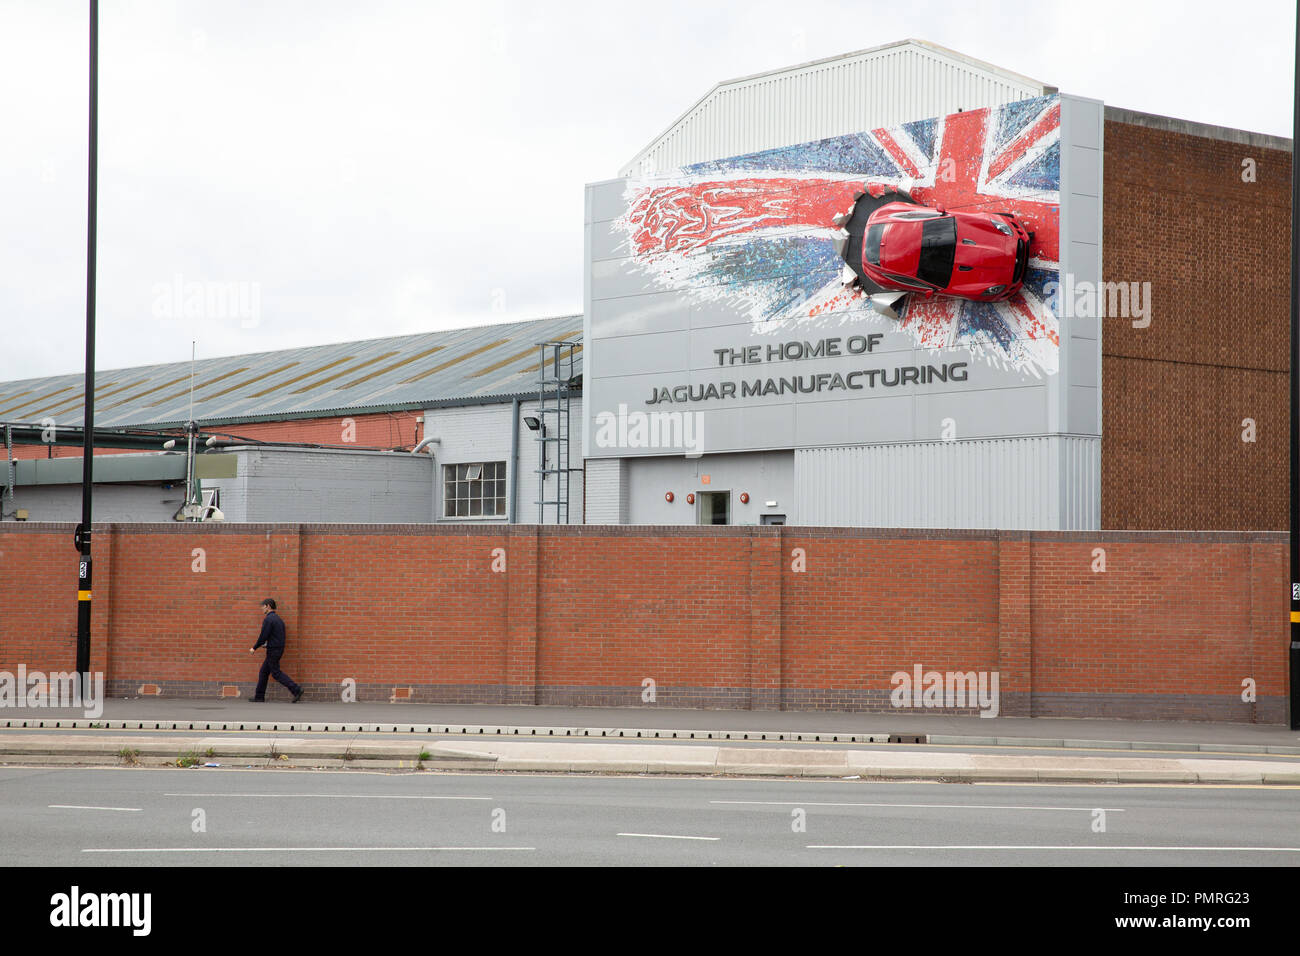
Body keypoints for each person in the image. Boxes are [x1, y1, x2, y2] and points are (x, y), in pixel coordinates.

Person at [248, 598, 304, 703]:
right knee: (264, 672)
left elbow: (263, 636)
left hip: (273, 650)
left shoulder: (268, 619)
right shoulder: (278, 619)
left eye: (263, 606)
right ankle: (259, 696)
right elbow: (276, 636)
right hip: (277, 649)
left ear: (268, 606)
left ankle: (296, 689)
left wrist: (254, 647)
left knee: (276, 673)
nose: (262, 609)